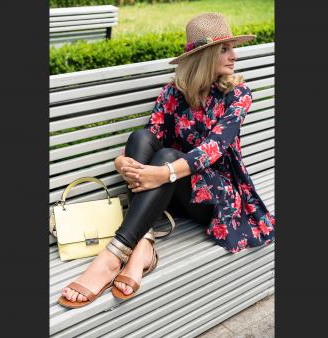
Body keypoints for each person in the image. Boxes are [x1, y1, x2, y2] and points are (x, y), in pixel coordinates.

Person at [59, 12, 276, 309]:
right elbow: (152, 133)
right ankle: (143, 243)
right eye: (224, 49)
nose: (234, 55)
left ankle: (113, 256)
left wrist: (164, 173)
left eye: (232, 47)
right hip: (170, 190)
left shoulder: (237, 93)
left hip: (216, 195)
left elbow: (214, 147)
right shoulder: (174, 92)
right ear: (205, 56)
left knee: (165, 156)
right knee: (140, 138)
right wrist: (121, 162)